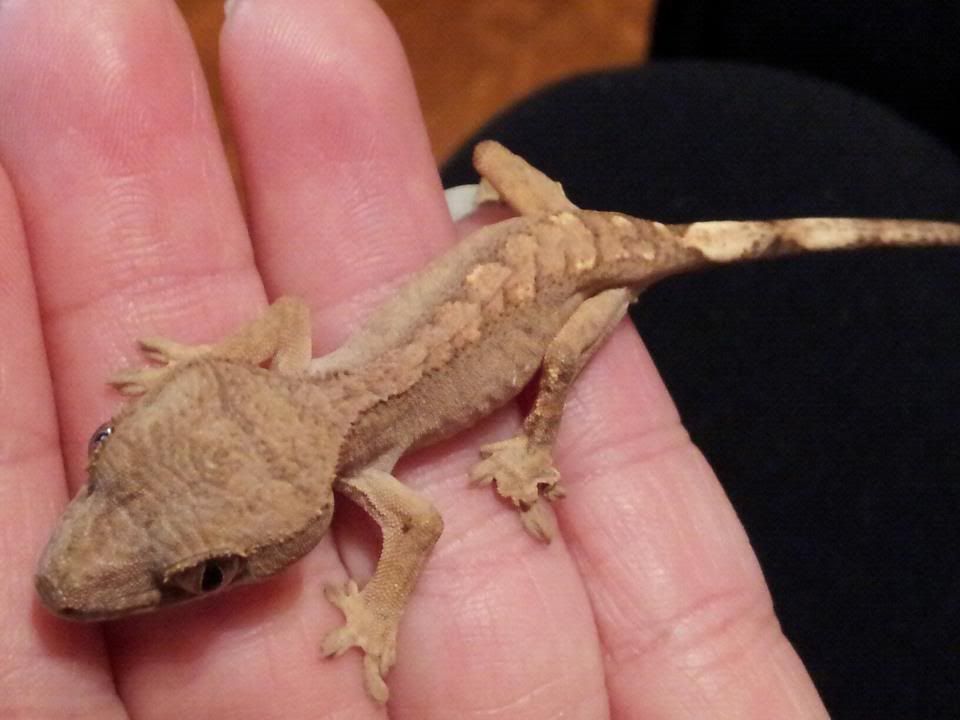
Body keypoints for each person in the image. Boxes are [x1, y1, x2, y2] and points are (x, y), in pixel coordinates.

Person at [3, 1, 957, 716]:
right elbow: (288, 315)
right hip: (547, 231)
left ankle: (546, 416)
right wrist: (209, 362)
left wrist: (506, 478)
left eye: (206, 575)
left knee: (570, 345)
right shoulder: (315, 404)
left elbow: (417, 530)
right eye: (109, 447)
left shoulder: (368, 473)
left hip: (591, 276)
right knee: (503, 154)